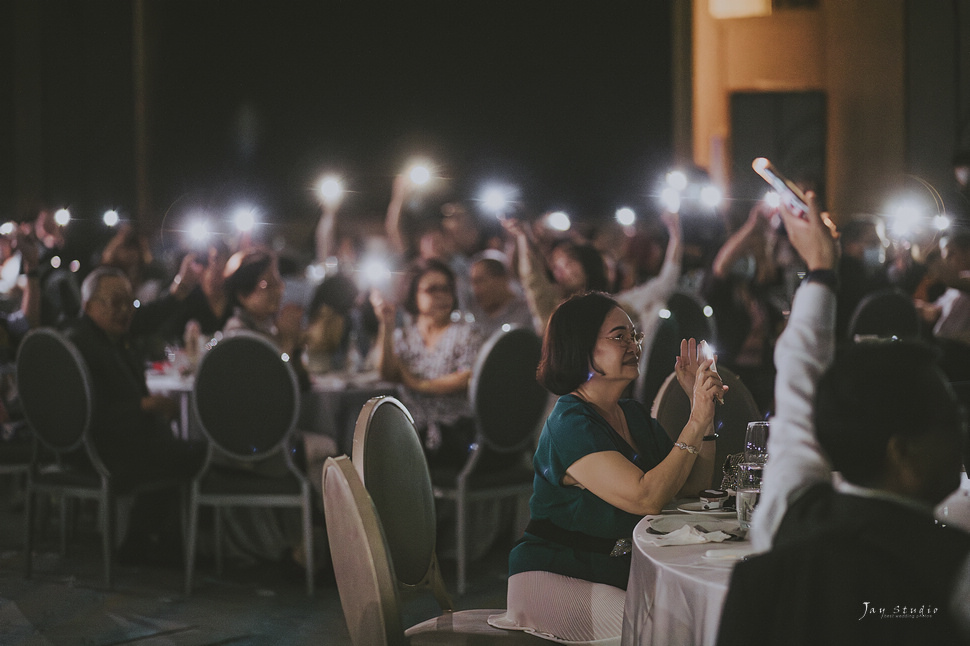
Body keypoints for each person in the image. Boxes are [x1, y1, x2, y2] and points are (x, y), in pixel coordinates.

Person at [716, 192, 970, 646]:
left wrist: (820, 271)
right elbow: (799, 383)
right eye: (950, 423)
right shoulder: (954, 574)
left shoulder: (788, 520)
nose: (962, 435)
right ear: (902, 451)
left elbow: (798, 384)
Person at [489, 291, 723, 643]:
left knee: (699, 621)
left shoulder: (631, 414)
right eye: (619, 337)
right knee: (664, 634)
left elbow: (693, 486)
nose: (633, 345)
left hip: (612, 570)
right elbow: (647, 497)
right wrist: (695, 419)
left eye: (634, 335)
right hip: (554, 573)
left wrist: (702, 418)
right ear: (581, 347)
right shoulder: (569, 421)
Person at [65, 266, 202, 563]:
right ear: (89, 306)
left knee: (185, 449)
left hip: (124, 442)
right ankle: (156, 540)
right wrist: (144, 406)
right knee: (197, 455)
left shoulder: (112, 337)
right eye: (116, 303)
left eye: (130, 302)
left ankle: (148, 538)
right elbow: (83, 414)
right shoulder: (79, 344)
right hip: (98, 449)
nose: (126, 311)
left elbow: (148, 319)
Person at [372, 257, 483, 467]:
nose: (441, 296)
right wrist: (386, 324)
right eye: (432, 289)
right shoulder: (403, 336)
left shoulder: (466, 334)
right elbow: (387, 373)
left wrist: (415, 383)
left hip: (456, 433)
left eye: (446, 289)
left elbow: (465, 377)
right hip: (411, 433)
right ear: (413, 295)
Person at [466, 250, 534, 340]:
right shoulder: (473, 317)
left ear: (502, 279)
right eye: (473, 283)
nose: (475, 289)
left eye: (480, 281)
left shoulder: (528, 313)